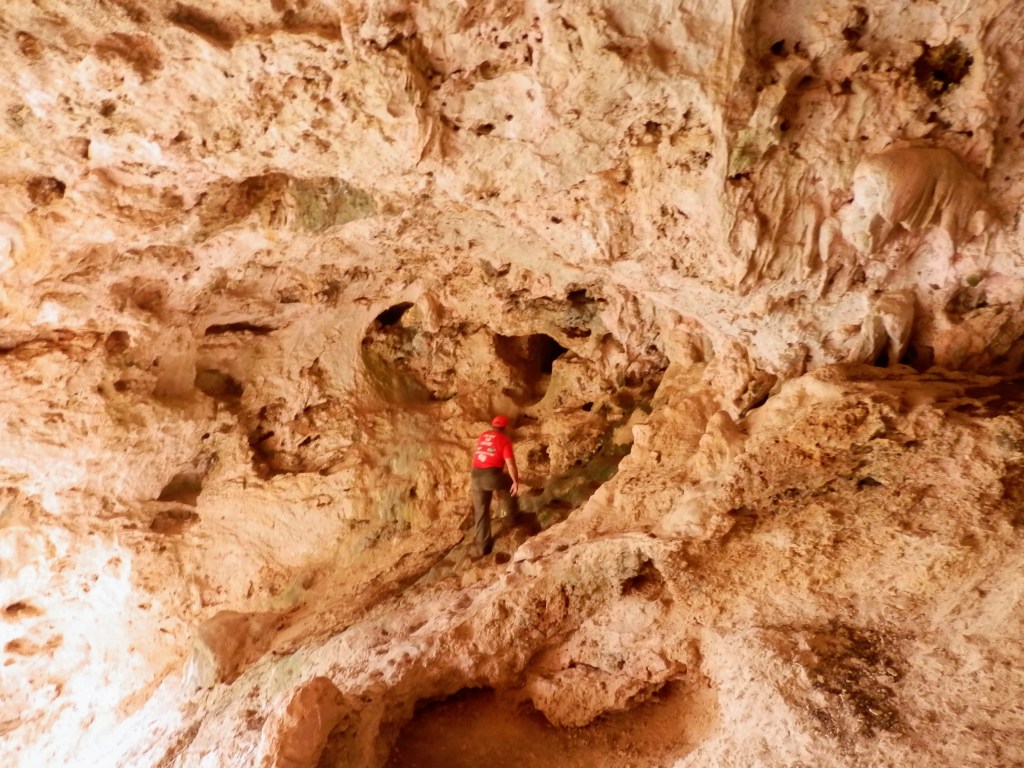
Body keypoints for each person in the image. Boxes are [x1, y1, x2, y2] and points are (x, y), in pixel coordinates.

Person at [470, 415, 520, 557]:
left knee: (481, 511)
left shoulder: (483, 436)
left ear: (492, 426)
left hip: (475, 475)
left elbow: (480, 453)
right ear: (504, 428)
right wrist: (515, 481)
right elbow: (510, 464)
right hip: (491, 475)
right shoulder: (504, 440)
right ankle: (512, 519)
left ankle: (483, 547)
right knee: (509, 484)